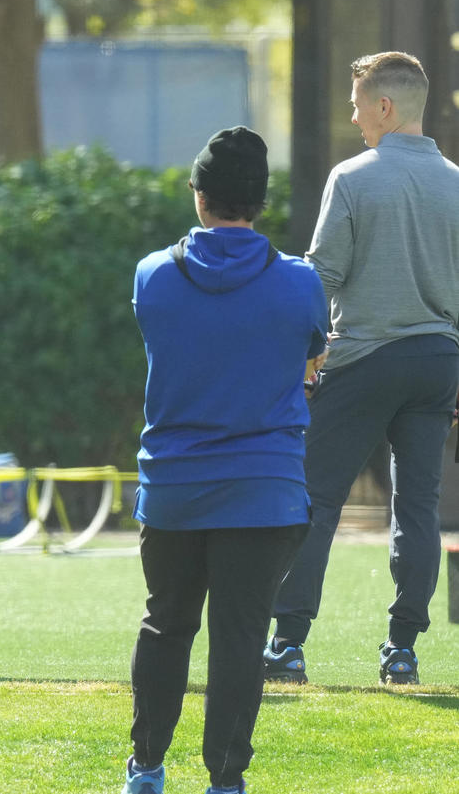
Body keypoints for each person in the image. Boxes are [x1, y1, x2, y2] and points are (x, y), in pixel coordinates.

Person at [122, 127, 328, 794]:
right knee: (240, 639)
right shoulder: (300, 282)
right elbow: (313, 354)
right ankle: (226, 781)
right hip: (265, 489)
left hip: (174, 487)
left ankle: (146, 767)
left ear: (199, 196)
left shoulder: (153, 275)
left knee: (165, 625)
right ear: (260, 202)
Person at [265, 51, 459, 686]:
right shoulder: (456, 182)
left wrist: (302, 354)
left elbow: (322, 274)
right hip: (438, 363)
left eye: (357, 105)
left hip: (365, 359)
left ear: (385, 106)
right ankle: (402, 651)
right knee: (419, 508)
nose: (352, 118)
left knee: (315, 499)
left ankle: (288, 644)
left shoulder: (351, 177)